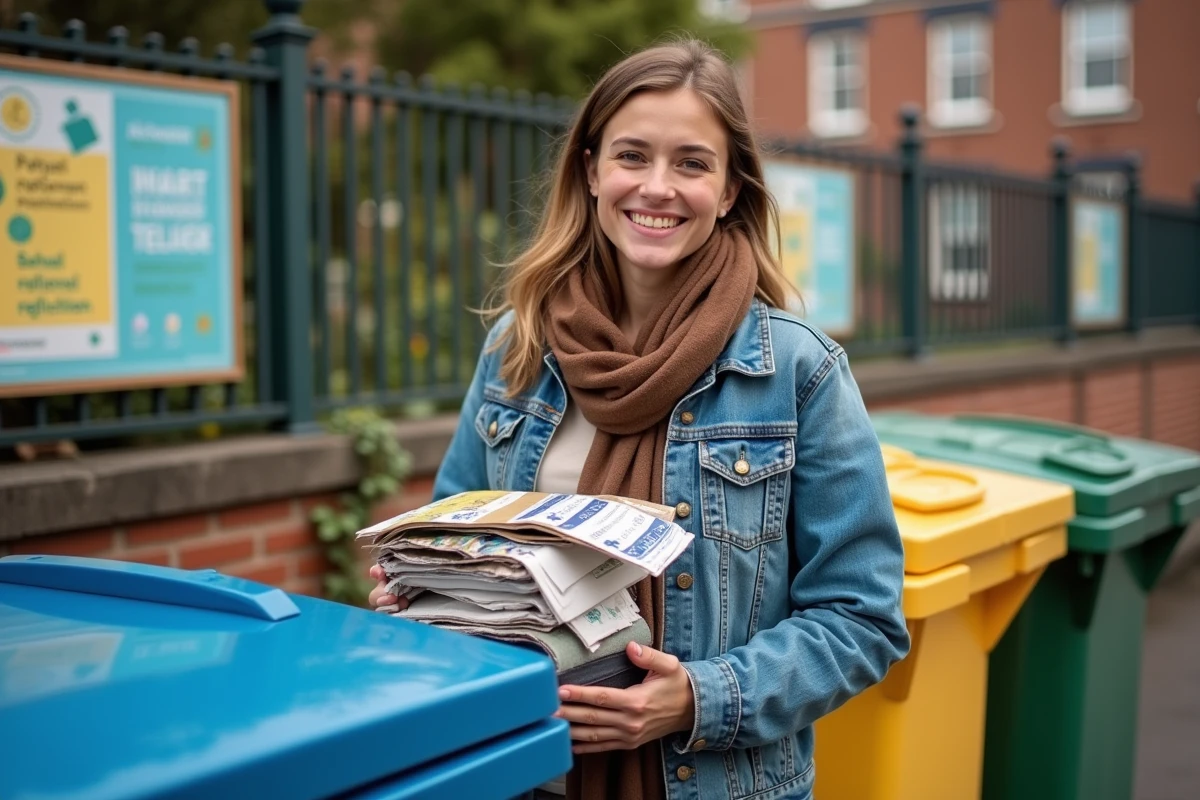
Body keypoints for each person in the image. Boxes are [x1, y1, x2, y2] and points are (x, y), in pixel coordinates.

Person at [368, 39, 909, 800]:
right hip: (524, 772)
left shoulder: (796, 372)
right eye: (632, 156)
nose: (658, 187)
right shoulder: (517, 350)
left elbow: (862, 618)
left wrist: (696, 699)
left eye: (691, 163)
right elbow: (458, 539)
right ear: (592, 171)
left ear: (729, 190)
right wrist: (423, 591)